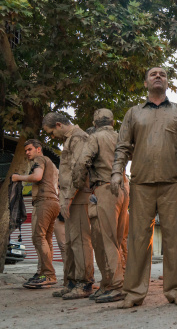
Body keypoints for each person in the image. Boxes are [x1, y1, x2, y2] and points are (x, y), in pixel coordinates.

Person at [111, 66, 177, 308]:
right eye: (153, 74)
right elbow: (122, 146)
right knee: (138, 238)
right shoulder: (133, 113)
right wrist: (117, 172)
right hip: (141, 182)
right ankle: (133, 293)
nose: (158, 76)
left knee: (175, 237)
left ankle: (176, 291)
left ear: (168, 82)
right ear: (146, 83)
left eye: (162, 74)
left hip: (172, 182)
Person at [72, 108, 129, 303]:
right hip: (122, 188)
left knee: (104, 240)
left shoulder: (95, 138)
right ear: (112, 121)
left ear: (95, 122)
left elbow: (82, 163)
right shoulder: (120, 137)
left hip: (104, 189)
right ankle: (108, 284)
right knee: (116, 238)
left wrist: (78, 183)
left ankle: (116, 285)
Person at [42, 112, 94, 299]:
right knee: (71, 242)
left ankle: (85, 283)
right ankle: (71, 282)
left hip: (78, 195)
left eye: (51, 133)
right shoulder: (70, 139)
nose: (52, 137)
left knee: (80, 241)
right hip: (69, 196)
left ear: (58, 124)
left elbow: (79, 169)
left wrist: (69, 197)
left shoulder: (79, 137)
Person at [12, 139, 60, 289]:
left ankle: (48, 274)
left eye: (29, 149)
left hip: (44, 202)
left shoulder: (40, 159)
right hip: (54, 202)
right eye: (26, 150)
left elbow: (37, 177)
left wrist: (18, 177)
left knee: (38, 237)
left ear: (38, 149)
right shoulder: (52, 164)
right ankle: (43, 273)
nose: (27, 153)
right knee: (46, 239)